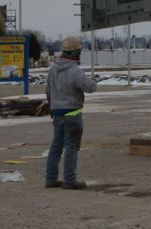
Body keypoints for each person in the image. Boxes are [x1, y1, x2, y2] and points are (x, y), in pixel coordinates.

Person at [45, 35, 97, 189]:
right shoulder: (75, 71)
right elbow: (90, 87)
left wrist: (52, 106)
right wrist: (93, 81)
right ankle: (69, 181)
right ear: (75, 53)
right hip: (72, 113)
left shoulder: (53, 69)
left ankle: (51, 179)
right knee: (71, 147)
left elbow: (48, 90)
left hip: (57, 112)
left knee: (56, 146)